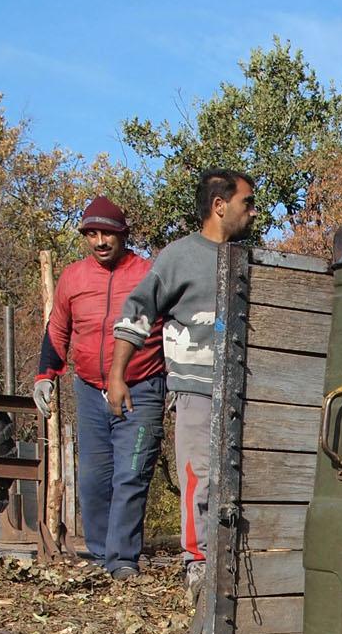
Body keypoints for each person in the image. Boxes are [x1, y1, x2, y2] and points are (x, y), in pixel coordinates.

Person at [110, 169, 257, 589]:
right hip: (195, 392)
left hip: (243, 393)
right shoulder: (178, 257)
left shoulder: (246, 258)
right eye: (246, 202)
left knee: (241, 477)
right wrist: (117, 375)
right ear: (219, 205)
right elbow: (137, 311)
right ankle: (199, 566)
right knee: (200, 476)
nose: (252, 212)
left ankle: (234, 563)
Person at [33, 196, 163, 578]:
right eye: (92, 234)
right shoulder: (73, 277)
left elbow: (172, 327)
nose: (100, 241)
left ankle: (122, 560)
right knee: (93, 478)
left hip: (141, 388)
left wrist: (178, 383)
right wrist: (45, 375)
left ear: (123, 235)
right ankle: (101, 555)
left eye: (107, 233)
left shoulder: (149, 273)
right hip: (89, 390)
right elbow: (58, 328)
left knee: (131, 474)